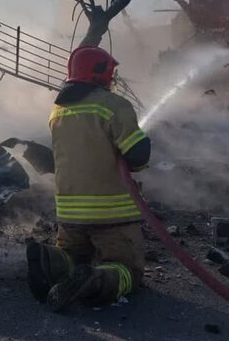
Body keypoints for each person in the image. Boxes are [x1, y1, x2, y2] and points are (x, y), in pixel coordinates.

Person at [26, 46, 151, 312]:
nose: (112, 78)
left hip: (70, 214)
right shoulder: (114, 105)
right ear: (99, 74)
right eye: (110, 73)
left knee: (73, 257)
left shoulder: (57, 112)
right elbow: (138, 156)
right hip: (111, 214)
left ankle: (51, 260)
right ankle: (94, 281)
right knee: (128, 271)